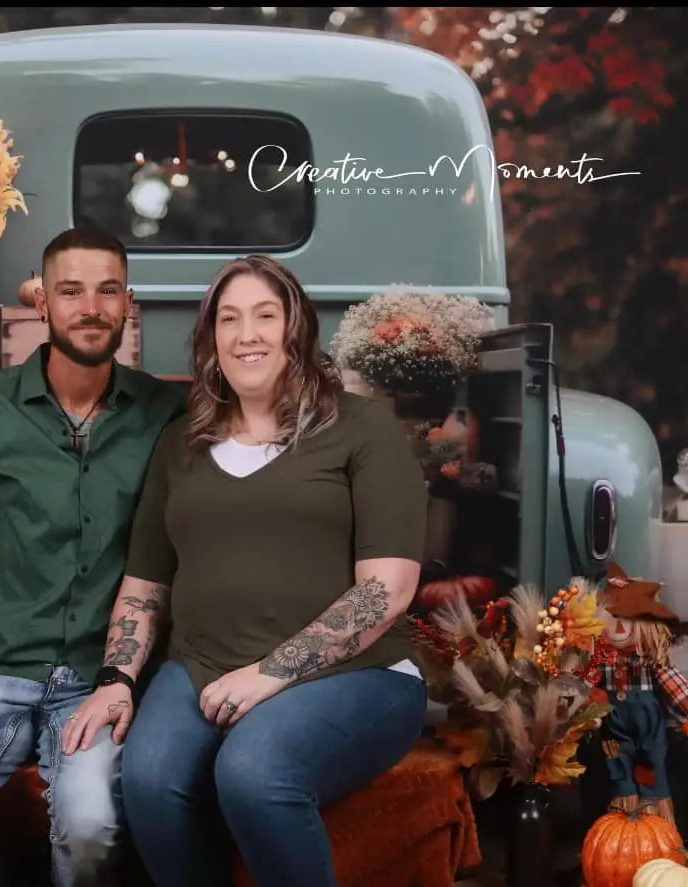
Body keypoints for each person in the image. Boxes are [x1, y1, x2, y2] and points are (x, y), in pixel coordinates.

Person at [61, 254, 430, 887]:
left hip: (357, 674)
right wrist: (117, 678)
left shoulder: (362, 429)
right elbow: (147, 584)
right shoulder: (182, 444)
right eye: (228, 319)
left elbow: (387, 589)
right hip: (202, 664)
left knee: (255, 773)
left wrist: (270, 674)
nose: (246, 334)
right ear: (211, 341)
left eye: (265, 315)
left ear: (297, 329)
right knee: (148, 780)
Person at [0, 226, 185, 887]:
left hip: (98, 671)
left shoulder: (167, 412)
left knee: (90, 830)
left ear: (127, 303)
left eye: (108, 291)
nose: (91, 307)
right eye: (71, 291)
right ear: (42, 304)